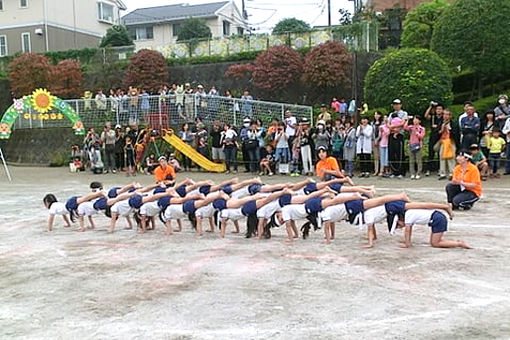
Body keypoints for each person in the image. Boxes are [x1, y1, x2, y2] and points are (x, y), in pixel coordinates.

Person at [396, 209, 471, 249]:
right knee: (436, 241)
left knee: (435, 243)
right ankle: (455, 242)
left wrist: (407, 244)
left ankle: (459, 244)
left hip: (438, 219)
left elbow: (408, 230)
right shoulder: (409, 213)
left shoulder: (408, 216)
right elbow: (409, 229)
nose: (399, 227)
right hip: (436, 217)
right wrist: (407, 241)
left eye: (398, 225)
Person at [388, 99, 408, 178]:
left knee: (399, 153)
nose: (396, 106)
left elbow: (403, 123)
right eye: (395, 104)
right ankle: (394, 171)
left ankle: (401, 172)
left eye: (398, 104)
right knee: (392, 153)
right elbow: (388, 124)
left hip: (400, 134)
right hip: (391, 134)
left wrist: (395, 127)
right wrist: (393, 128)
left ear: (401, 105)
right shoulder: (391, 114)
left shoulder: (404, 113)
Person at [437, 109, 459, 180]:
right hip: (443, 142)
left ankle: (452, 173)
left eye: (447, 114)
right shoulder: (440, 123)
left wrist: (449, 129)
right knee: (442, 157)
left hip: (451, 142)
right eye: (444, 114)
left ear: (450, 116)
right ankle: (442, 173)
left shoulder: (453, 124)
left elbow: (456, 134)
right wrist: (441, 129)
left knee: (451, 157)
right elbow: (437, 133)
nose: (445, 116)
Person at [424, 102, 443, 175]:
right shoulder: (433, 117)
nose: (438, 110)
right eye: (437, 109)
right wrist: (430, 107)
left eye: (440, 109)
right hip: (432, 136)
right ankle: (429, 169)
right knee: (431, 153)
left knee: (439, 154)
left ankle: (439, 169)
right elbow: (426, 116)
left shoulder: (443, 118)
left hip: (440, 137)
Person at [405, 115, 426, 179]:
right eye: (414, 119)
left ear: (419, 121)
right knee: (411, 160)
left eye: (416, 119)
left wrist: (418, 134)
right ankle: (412, 173)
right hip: (411, 144)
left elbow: (422, 136)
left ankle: (418, 173)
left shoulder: (422, 128)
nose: (415, 120)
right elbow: (405, 127)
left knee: (418, 160)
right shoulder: (411, 127)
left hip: (418, 145)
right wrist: (407, 120)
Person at [371, 111, 383, 176]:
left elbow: (381, 133)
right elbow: (372, 132)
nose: (376, 116)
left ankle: (381, 170)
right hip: (373, 140)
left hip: (381, 141)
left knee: (381, 156)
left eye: (377, 114)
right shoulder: (372, 123)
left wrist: (378, 139)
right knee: (376, 157)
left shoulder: (382, 123)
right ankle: (376, 170)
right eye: (375, 114)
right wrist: (374, 140)